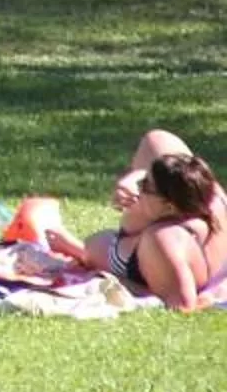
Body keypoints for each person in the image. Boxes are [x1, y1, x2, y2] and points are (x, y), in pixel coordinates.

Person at [43, 132, 225, 310]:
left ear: (169, 206)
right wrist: (136, 175)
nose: (138, 189)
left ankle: (73, 247)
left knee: (96, 247)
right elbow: (157, 139)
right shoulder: (208, 195)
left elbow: (184, 304)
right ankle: (73, 247)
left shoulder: (164, 240)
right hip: (155, 243)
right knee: (156, 140)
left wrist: (117, 281)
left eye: (145, 185)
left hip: (134, 260)